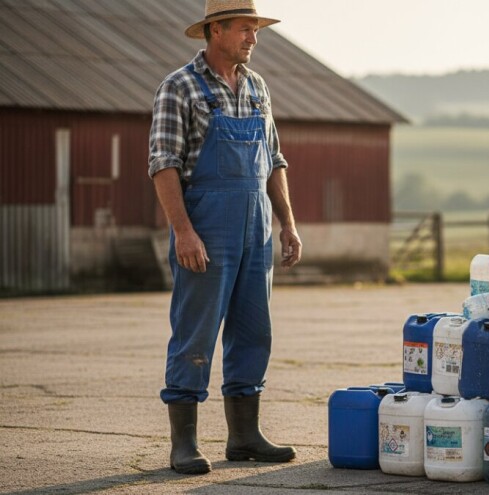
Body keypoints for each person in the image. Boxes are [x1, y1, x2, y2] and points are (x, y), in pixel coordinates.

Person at [148, 0, 301, 475]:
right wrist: (184, 232)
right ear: (215, 30)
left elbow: (274, 161)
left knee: (254, 330)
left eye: (256, 30)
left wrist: (288, 223)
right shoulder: (179, 87)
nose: (253, 38)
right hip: (206, 226)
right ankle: (184, 443)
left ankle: (245, 436)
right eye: (244, 29)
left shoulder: (257, 87)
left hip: (256, 226)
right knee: (195, 331)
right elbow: (163, 164)